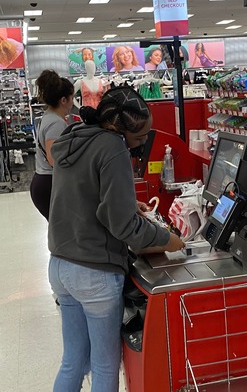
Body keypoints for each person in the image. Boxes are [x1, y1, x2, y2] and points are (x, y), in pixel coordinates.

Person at [48, 87, 185, 391]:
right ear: (119, 130)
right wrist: (168, 240)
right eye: (139, 138)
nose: (143, 143)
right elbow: (125, 229)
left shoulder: (75, 136)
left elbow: (82, 193)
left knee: (72, 360)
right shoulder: (113, 147)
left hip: (60, 265)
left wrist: (125, 202)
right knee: (104, 365)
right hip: (94, 270)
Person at [30, 70, 74, 220]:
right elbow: (53, 159)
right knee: (64, 230)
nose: (73, 101)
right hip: (49, 183)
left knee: (61, 230)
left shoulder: (49, 116)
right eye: (72, 97)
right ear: (63, 100)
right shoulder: (56, 123)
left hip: (44, 182)